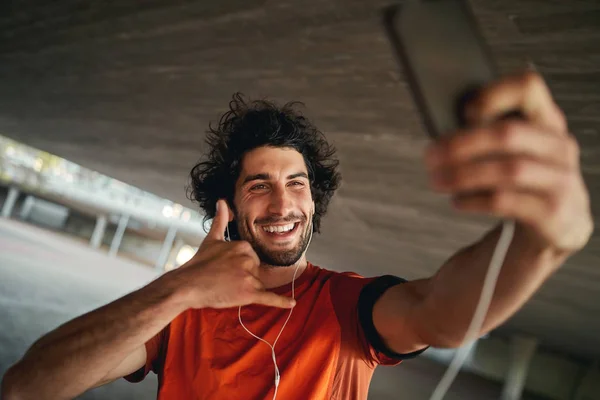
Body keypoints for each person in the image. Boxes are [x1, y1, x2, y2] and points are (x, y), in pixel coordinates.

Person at [1, 71, 593, 400]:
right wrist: (180, 289)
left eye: (298, 182)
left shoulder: (346, 305)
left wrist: (540, 241)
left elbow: (438, 312)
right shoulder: (179, 313)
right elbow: (28, 386)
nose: (284, 202)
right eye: (259, 185)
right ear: (228, 205)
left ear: (315, 197)